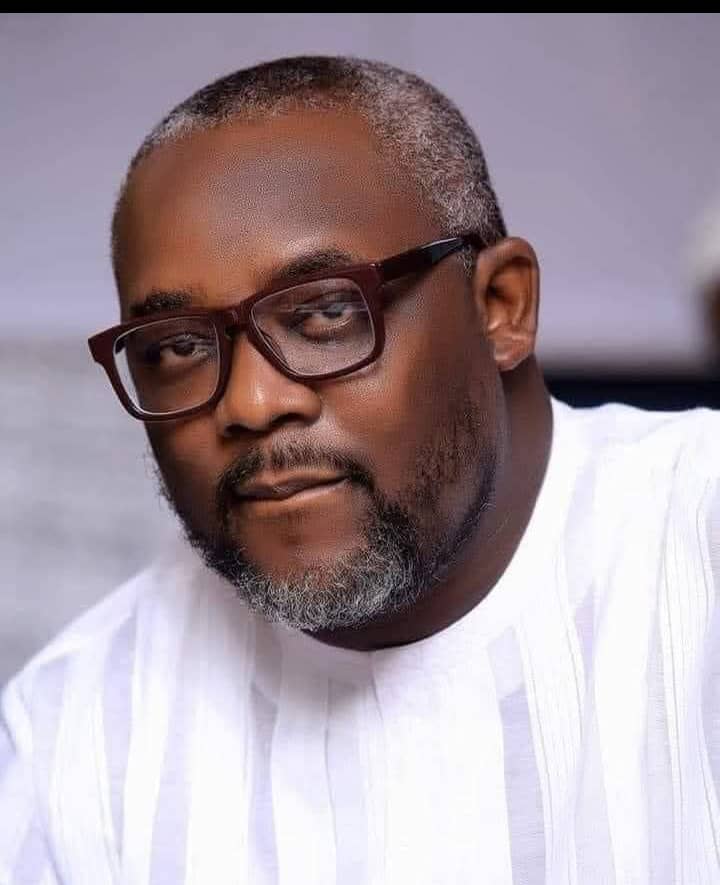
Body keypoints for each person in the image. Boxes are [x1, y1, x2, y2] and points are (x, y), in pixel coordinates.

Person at [2, 55, 719, 884]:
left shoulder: (696, 553)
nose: (252, 401)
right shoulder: (77, 736)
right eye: (178, 347)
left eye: (327, 311)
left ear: (501, 306)